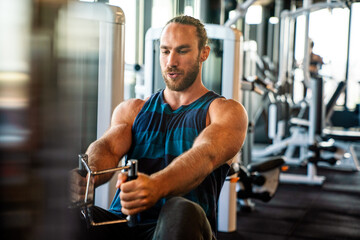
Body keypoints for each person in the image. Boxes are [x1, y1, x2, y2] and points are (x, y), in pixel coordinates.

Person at [70, 15, 248, 240]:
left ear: (204, 53)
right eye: (165, 51)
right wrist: (87, 176)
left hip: (183, 228)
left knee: (180, 210)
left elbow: (205, 155)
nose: (171, 61)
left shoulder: (224, 111)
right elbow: (108, 148)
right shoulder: (133, 110)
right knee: (65, 215)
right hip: (125, 224)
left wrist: (156, 186)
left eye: (182, 51)